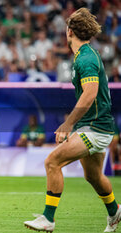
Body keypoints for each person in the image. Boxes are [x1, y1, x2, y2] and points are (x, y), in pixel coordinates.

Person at [24, 8, 120, 232]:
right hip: (95, 125)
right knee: (94, 176)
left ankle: (48, 219)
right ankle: (115, 212)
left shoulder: (85, 59)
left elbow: (90, 93)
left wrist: (68, 124)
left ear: (69, 31)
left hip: (95, 128)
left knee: (52, 162)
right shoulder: (86, 55)